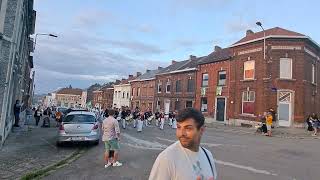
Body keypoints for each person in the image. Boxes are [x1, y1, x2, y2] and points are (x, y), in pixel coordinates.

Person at [149, 108, 217, 180]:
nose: (181, 134)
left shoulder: (208, 156)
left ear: (201, 130)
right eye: (179, 127)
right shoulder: (167, 158)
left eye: (188, 128)